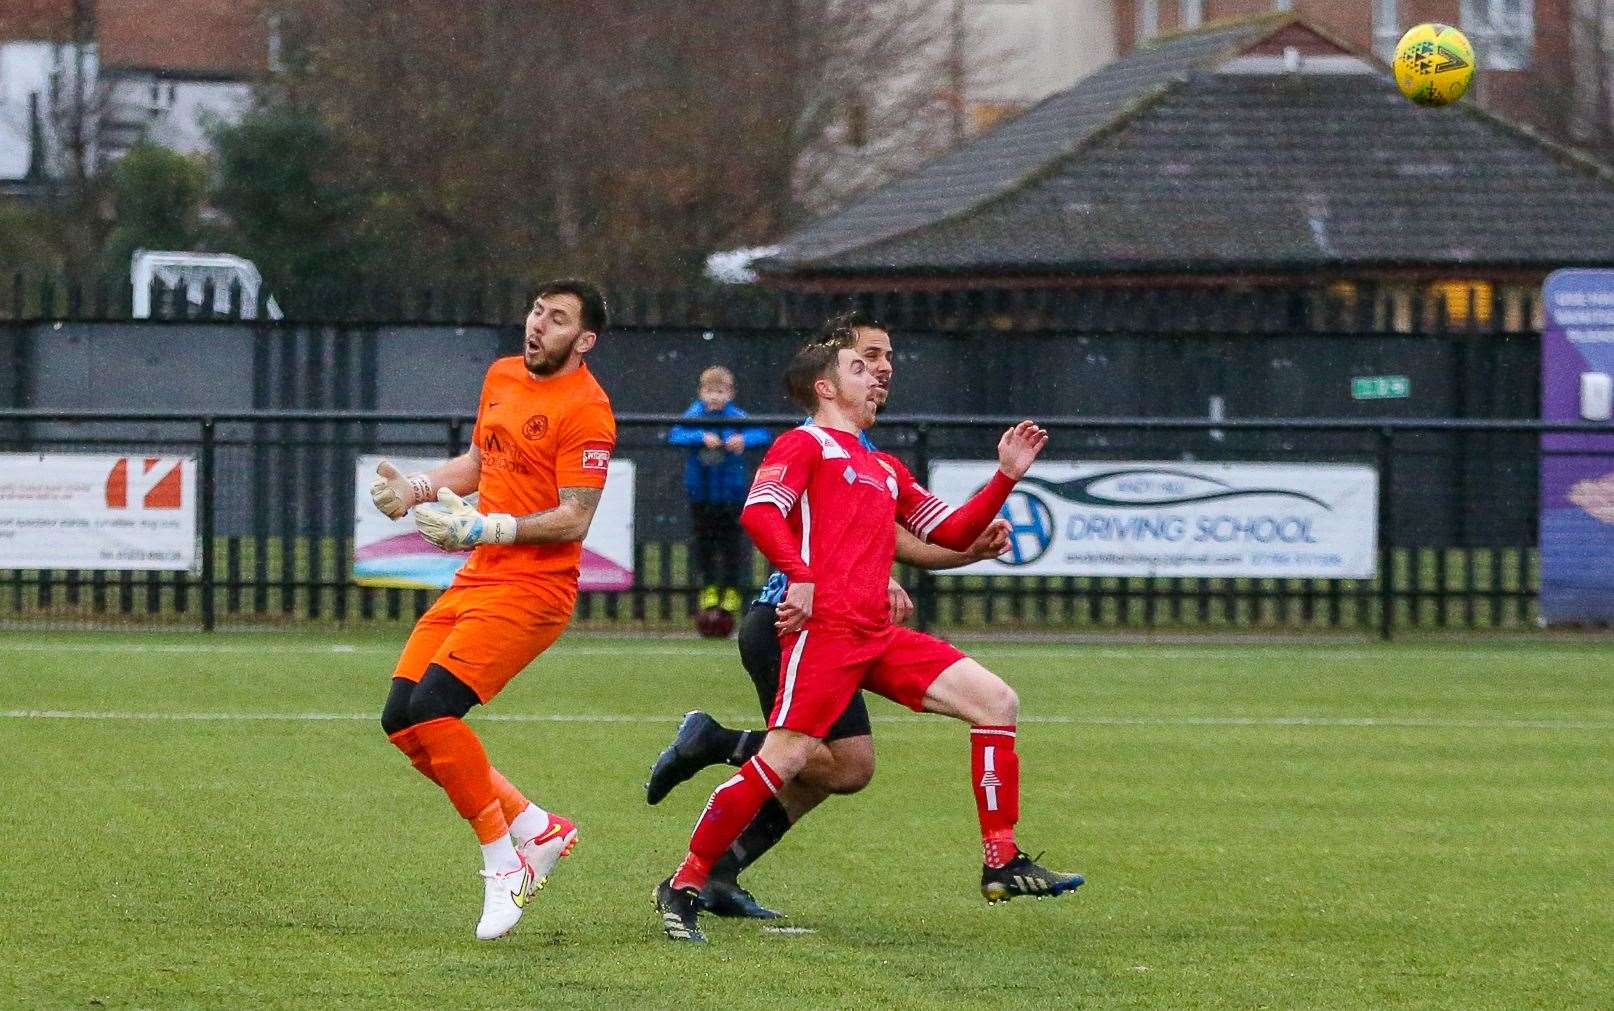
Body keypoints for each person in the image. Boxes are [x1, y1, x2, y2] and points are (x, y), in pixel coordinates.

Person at [653, 335, 1083, 943]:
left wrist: (1005, 477)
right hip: (824, 631)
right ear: (825, 388)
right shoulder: (804, 444)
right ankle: (686, 882)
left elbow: (951, 530)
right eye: (861, 368)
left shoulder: (881, 466)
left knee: (995, 702)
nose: (878, 377)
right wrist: (800, 578)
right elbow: (759, 512)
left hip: (876, 632)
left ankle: (1001, 861)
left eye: (881, 369)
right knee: (788, 758)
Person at [369, 279, 615, 941]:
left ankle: (502, 860)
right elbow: (481, 460)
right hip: (479, 577)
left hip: (534, 591)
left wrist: (490, 529)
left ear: (583, 339)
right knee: (402, 718)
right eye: (536, 310)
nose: (537, 325)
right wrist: (415, 487)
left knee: (434, 709)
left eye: (556, 318)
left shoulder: (588, 409)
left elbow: (575, 518)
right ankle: (538, 828)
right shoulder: (502, 374)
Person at [666, 365, 771, 615]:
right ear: (701, 392)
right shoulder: (694, 415)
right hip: (701, 493)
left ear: (730, 393)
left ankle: (732, 588)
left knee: (731, 544)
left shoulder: (736, 416)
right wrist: (701, 437)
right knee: (705, 543)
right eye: (710, 391)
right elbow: (675, 434)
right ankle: (710, 587)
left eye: (720, 391)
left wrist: (743, 440)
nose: (715, 397)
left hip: (731, 493)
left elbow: (763, 433)